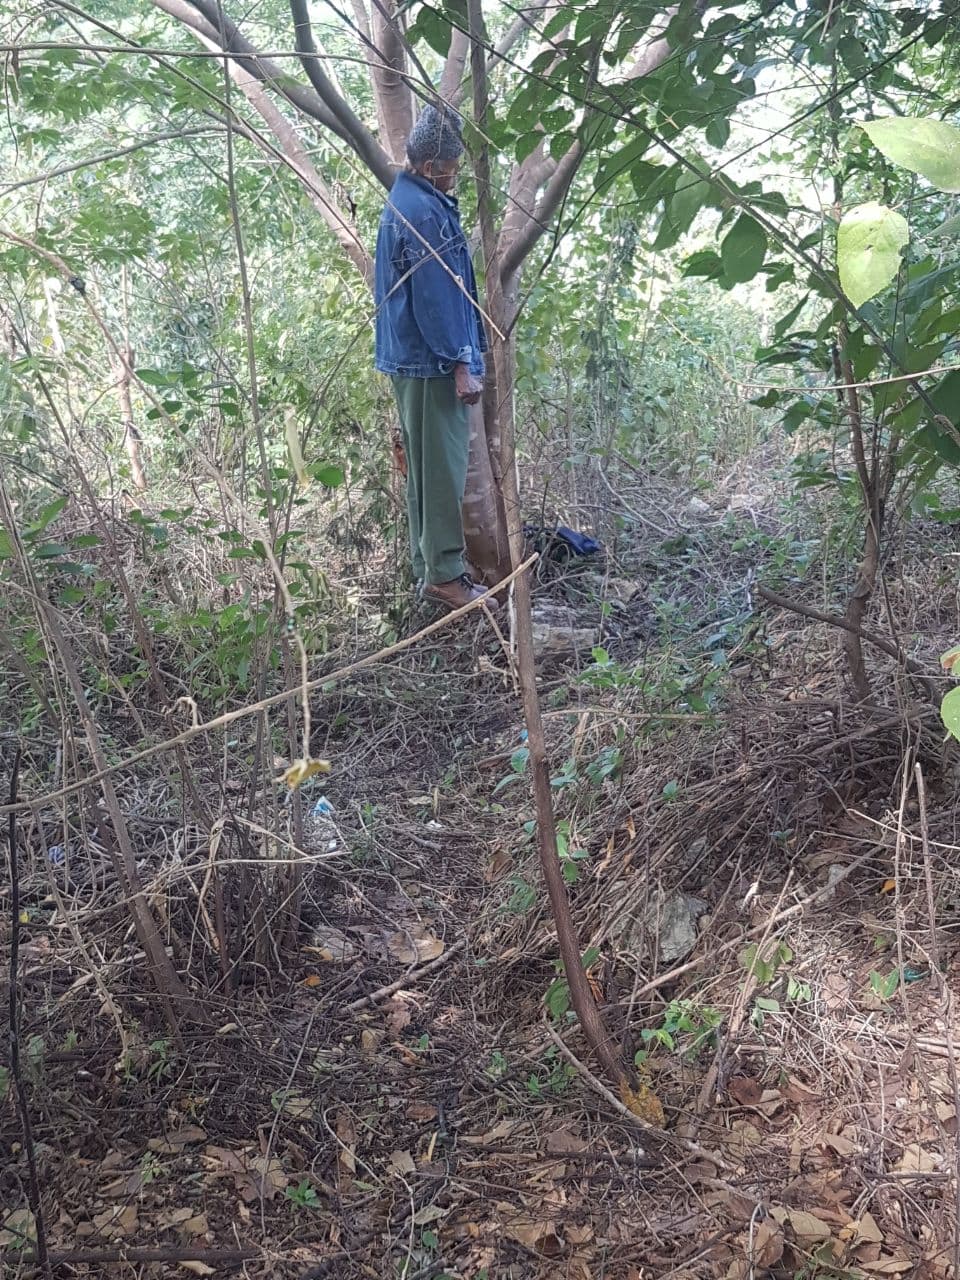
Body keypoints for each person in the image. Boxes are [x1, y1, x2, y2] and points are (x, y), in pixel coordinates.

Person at [374, 103, 498, 613]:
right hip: (431, 361)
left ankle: (431, 568)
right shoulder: (422, 210)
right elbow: (437, 297)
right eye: (451, 165)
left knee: (426, 469)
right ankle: (446, 573)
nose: (455, 173)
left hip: (413, 358)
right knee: (442, 468)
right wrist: (461, 360)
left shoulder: (411, 196)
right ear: (430, 166)